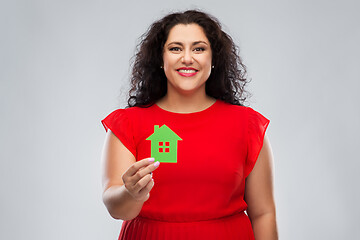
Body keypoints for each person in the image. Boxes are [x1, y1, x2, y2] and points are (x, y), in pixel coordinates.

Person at [100, 9, 278, 240]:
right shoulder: (127, 124)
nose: (187, 58)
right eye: (175, 48)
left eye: (199, 48)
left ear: (213, 59)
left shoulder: (248, 125)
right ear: (160, 59)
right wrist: (130, 193)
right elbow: (116, 207)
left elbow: (263, 212)